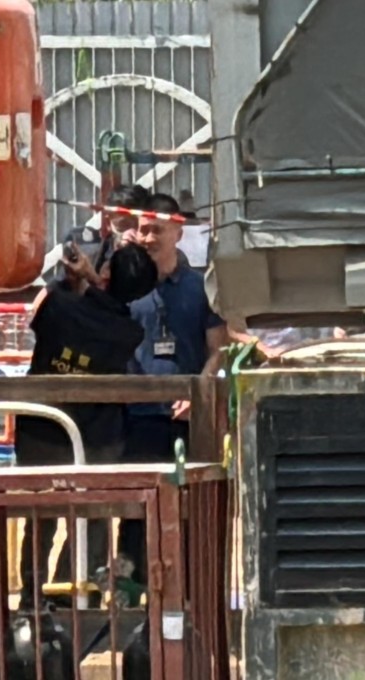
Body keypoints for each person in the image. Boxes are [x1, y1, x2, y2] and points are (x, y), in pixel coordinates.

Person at [15, 243, 158, 610]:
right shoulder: (129, 333)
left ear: (106, 274)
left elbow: (40, 312)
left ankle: (32, 599)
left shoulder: (61, 305)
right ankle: (83, 595)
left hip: (41, 432)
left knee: (39, 519)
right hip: (97, 437)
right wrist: (94, 281)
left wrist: (78, 280)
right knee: (94, 517)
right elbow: (105, 311)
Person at [118, 193, 229, 584]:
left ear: (178, 232)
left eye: (157, 230)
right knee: (135, 515)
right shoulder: (124, 289)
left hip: (188, 422)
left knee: (190, 510)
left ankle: (190, 593)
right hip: (138, 420)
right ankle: (131, 598)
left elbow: (219, 351)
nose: (148, 238)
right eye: (143, 230)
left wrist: (198, 392)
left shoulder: (202, 289)